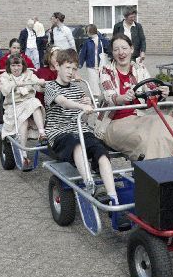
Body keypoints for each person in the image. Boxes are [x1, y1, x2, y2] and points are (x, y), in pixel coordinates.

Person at [45, 49, 122, 209]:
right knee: (76, 143)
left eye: (74, 69)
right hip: (60, 133)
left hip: (81, 129)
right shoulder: (50, 87)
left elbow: (85, 119)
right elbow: (64, 102)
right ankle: (89, 183)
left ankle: (113, 199)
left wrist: (86, 107)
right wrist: (82, 105)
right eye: (67, 67)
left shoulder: (77, 89)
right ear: (57, 66)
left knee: (101, 151)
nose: (71, 72)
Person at [96, 34, 173, 161]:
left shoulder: (139, 68)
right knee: (148, 137)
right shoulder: (106, 71)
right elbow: (110, 96)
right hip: (113, 123)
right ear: (112, 53)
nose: (121, 52)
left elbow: (151, 88)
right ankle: (157, 171)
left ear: (131, 49)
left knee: (166, 120)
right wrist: (123, 97)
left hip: (137, 118)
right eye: (116, 49)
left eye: (124, 48)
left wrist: (160, 92)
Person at [0, 54, 46, 168]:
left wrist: (41, 82)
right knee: (23, 121)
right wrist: (14, 84)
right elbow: (5, 91)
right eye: (13, 65)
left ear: (23, 66)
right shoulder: (5, 76)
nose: (16, 68)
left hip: (28, 103)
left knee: (35, 102)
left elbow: (38, 86)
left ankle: (42, 132)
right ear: (9, 66)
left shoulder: (29, 74)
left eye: (18, 65)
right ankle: (23, 151)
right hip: (13, 106)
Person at [78, 24, 109, 97]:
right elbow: (83, 53)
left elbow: (108, 48)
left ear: (90, 31)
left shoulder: (102, 40)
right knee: (93, 82)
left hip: (101, 64)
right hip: (91, 65)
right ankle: (96, 98)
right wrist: (80, 63)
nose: (86, 33)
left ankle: (106, 97)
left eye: (87, 31)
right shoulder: (87, 42)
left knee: (103, 81)